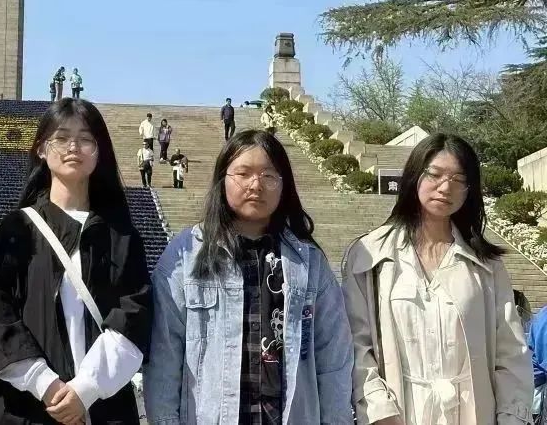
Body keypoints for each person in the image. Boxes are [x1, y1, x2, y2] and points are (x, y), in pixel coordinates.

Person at [145, 129, 354, 424]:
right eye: (243, 174)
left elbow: (334, 357)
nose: (256, 185)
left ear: (283, 185)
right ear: (222, 179)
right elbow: (163, 356)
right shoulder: (184, 256)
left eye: (269, 176)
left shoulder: (309, 262)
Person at [0, 97, 151, 425]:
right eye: (61, 137)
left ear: (99, 152)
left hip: (103, 410)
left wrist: (85, 390)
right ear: (42, 149)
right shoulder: (16, 230)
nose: (73, 147)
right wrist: (46, 385)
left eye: (86, 139)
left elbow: (134, 316)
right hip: (28, 409)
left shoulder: (122, 236)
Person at [343, 133, 532, 425]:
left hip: (472, 412)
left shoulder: (486, 264)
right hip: (400, 412)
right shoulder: (371, 254)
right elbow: (356, 345)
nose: (445, 187)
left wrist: (511, 417)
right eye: (435, 174)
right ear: (414, 176)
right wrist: (380, 411)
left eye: (458, 179)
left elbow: (511, 352)